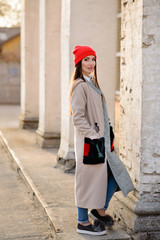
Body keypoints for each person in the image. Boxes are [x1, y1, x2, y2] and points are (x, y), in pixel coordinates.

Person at [69, 45, 134, 236]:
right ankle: (82, 222)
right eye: (86, 59)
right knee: (86, 181)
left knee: (116, 174)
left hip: (100, 142)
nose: (91, 63)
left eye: (93, 59)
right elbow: (78, 117)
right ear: (79, 63)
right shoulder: (80, 85)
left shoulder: (92, 83)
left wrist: (107, 135)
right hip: (90, 143)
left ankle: (98, 210)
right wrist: (94, 135)